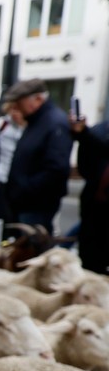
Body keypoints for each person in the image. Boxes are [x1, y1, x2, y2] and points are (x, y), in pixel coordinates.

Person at [3, 78, 74, 234]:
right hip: (25, 201)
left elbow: (57, 168)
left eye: (19, 102)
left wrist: (26, 188)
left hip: (36, 203)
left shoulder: (54, 123)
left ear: (38, 99)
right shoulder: (38, 121)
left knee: (32, 245)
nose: (16, 107)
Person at [71, 112, 109, 274]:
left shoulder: (91, 133)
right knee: (90, 262)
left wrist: (85, 135)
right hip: (95, 207)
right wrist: (82, 135)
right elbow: (84, 167)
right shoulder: (99, 130)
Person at [0, 104, 25, 225]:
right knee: (1, 214)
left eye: (19, 110)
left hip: (19, 179)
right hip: (1, 176)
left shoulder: (31, 128)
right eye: (13, 109)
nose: (15, 114)